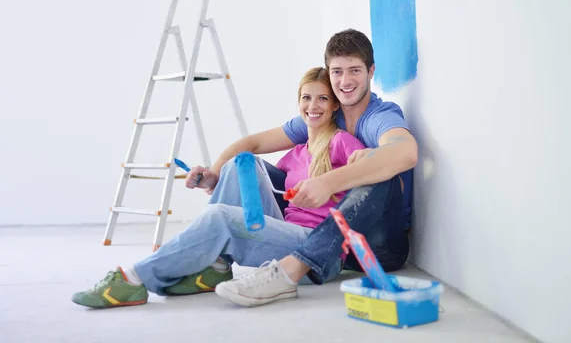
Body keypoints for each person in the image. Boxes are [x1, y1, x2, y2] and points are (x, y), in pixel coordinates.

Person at [71, 67, 366, 309]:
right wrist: (214, 176)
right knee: (242, 163)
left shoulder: (341, 142)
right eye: (306, 98)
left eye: (323, 99)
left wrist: (363, 159)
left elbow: (365, 173)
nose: (313, 107)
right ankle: (217, 266)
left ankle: (133, 279)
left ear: (335, 105)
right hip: (284, 237)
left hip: (314, 254)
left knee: (221, 217)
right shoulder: (296, 154)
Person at [213, 29, 417, 307]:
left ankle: (290, 271)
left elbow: (405, 151)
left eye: (355, 70)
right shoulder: (327, 114)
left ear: (371, 71)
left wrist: (329, 182)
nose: (345, 81)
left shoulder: (380, 116)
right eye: (337, 72)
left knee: (380, 173)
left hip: (378, 245)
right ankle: (215, 262)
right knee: (248, 165)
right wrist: (214, 174)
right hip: (331, 239)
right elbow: (256, 142)